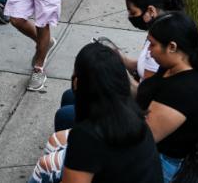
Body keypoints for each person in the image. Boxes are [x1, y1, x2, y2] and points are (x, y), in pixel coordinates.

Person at [53, 0, 185, 132]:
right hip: (132, 107)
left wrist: (115, 71)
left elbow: (143, 95)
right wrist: (120, 57)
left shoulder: (162, 46)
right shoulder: (158, 34)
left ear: (151, 11)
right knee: (70, 96)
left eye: (133, 12)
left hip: (133, 112)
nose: (130, 17)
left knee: (65, 115)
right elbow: (143, 68)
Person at [29, 42, 163, 183]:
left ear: (78, 83)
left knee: (45, 166)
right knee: (55, 142)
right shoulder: (135, 115)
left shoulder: (86, 135)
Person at [137, 12, 198, 183]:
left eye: (152, 45)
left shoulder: (184, 91)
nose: (149, 52)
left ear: (172, 47)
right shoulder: (171, 67)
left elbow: (142, 139)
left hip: (156, 164)